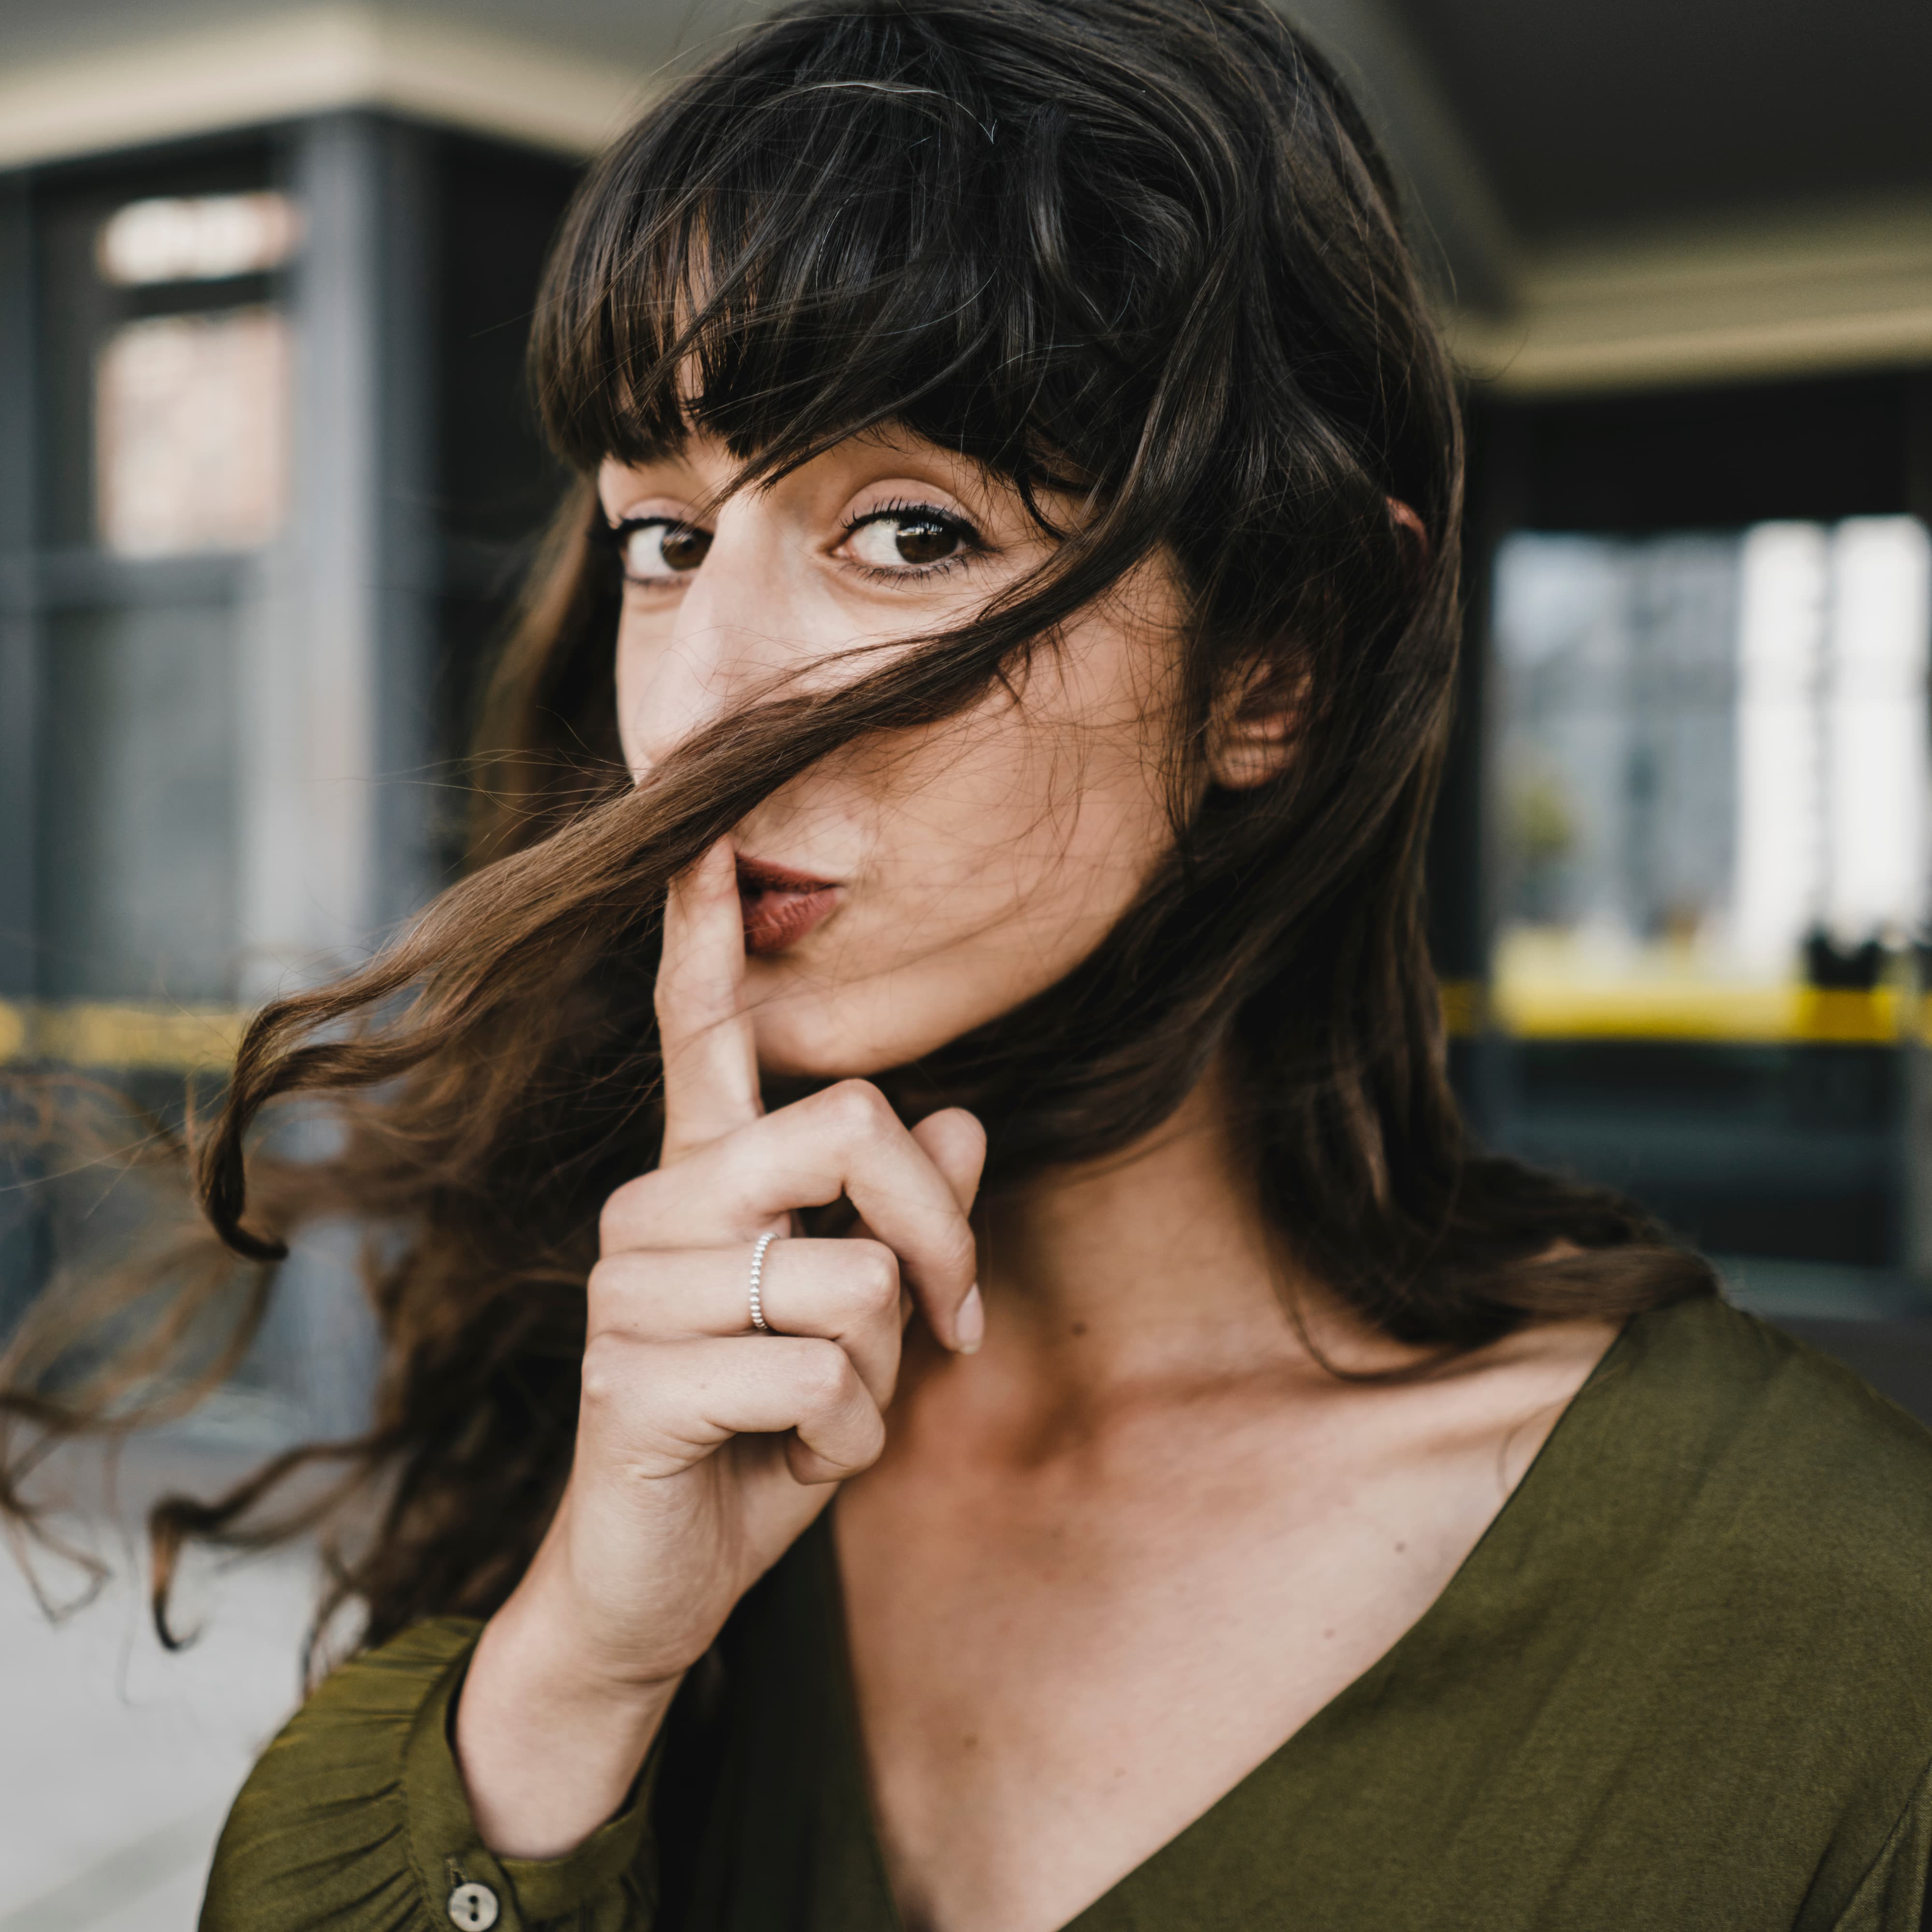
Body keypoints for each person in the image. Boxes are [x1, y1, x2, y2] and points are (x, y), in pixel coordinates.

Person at [9, 0, 1932, 1927]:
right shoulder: (619, 1386)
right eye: (663, 537)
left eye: (908, 530)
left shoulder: (1826, 1617)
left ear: (1277, 660)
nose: (696, 704)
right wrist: (580, 1659)